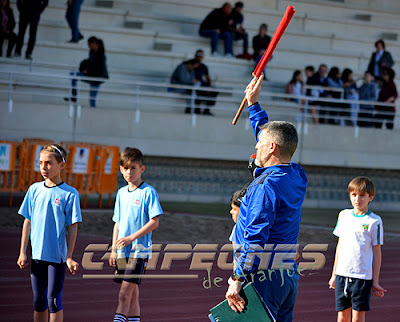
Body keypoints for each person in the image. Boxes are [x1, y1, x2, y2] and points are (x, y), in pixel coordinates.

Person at [225, 74, 308, 321]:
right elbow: (271, 138)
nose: (256, 146)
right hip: (286, 275)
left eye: (260, 142)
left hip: (263, 275)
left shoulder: (266, 187)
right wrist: (253, 104)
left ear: (272, 147)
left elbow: (256, 236)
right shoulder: (297, 175)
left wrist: (237, 278)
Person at [17, 144, 82, 322]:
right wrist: (23, 252)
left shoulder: (70, 194)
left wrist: (69, 256)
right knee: (38, 302)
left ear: (62, 165)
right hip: (37, 256)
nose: (44, 168)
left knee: (53, 301)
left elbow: (73, 227)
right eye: (41, 163)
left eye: (49, 163)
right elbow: (27, 221)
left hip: (57, 258)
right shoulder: (34, 189)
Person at [110, 147, 163, 322]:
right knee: (132, 295)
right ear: (120, 169)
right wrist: (113, 249)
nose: (129, 172)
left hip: (138, 252)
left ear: (142, 169)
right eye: (125, 168)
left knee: (124, 294)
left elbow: (154, 221)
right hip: (121, 252)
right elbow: (117, 222)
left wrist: (132, 238)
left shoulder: (148, 192)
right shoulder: (121, 193)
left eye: (133, 168)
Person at [329, 176, 386, 322]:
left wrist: (375, 281)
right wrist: (334, 274)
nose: (357, 199)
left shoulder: (374, 221)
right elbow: (339, 246)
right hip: (342, 274)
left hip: (362, 277)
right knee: (342, 316)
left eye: (362, 196)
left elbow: (377, 252)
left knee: (358, 317)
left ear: (370, 197)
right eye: (354, 195)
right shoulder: (344, 215)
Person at [65, 36, 108, 107]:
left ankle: (93, 114)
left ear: (94, 43)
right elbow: (89, 64)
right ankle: (74, 96)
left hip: (96, 78)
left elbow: (98, 68)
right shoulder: (92, 53)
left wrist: (87, 71)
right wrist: (84, 70)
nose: (89, 47)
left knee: (92, 100)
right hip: (91, 76)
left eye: (90, 45)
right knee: (73, 75)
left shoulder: (101, 55)